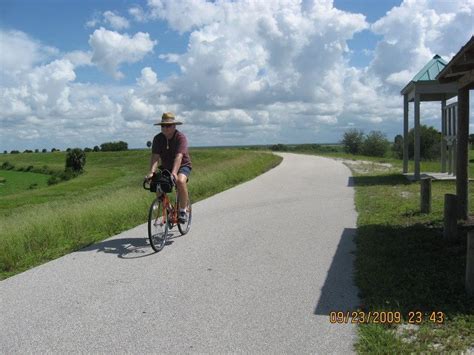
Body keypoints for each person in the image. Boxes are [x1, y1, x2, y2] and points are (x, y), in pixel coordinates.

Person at [147, 112, 192, 223]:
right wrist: (152, 172)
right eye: (163, 125)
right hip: (166, 167)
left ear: (174, 126)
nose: (165, 128)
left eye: (168, 125)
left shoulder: (180, 137)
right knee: (158, 186)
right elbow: (155, 157)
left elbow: (179, 156)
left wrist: (174, 173)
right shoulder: (158, 139)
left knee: (180, 181)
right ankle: (170, 210)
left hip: (182, 165)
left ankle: (182, 210)